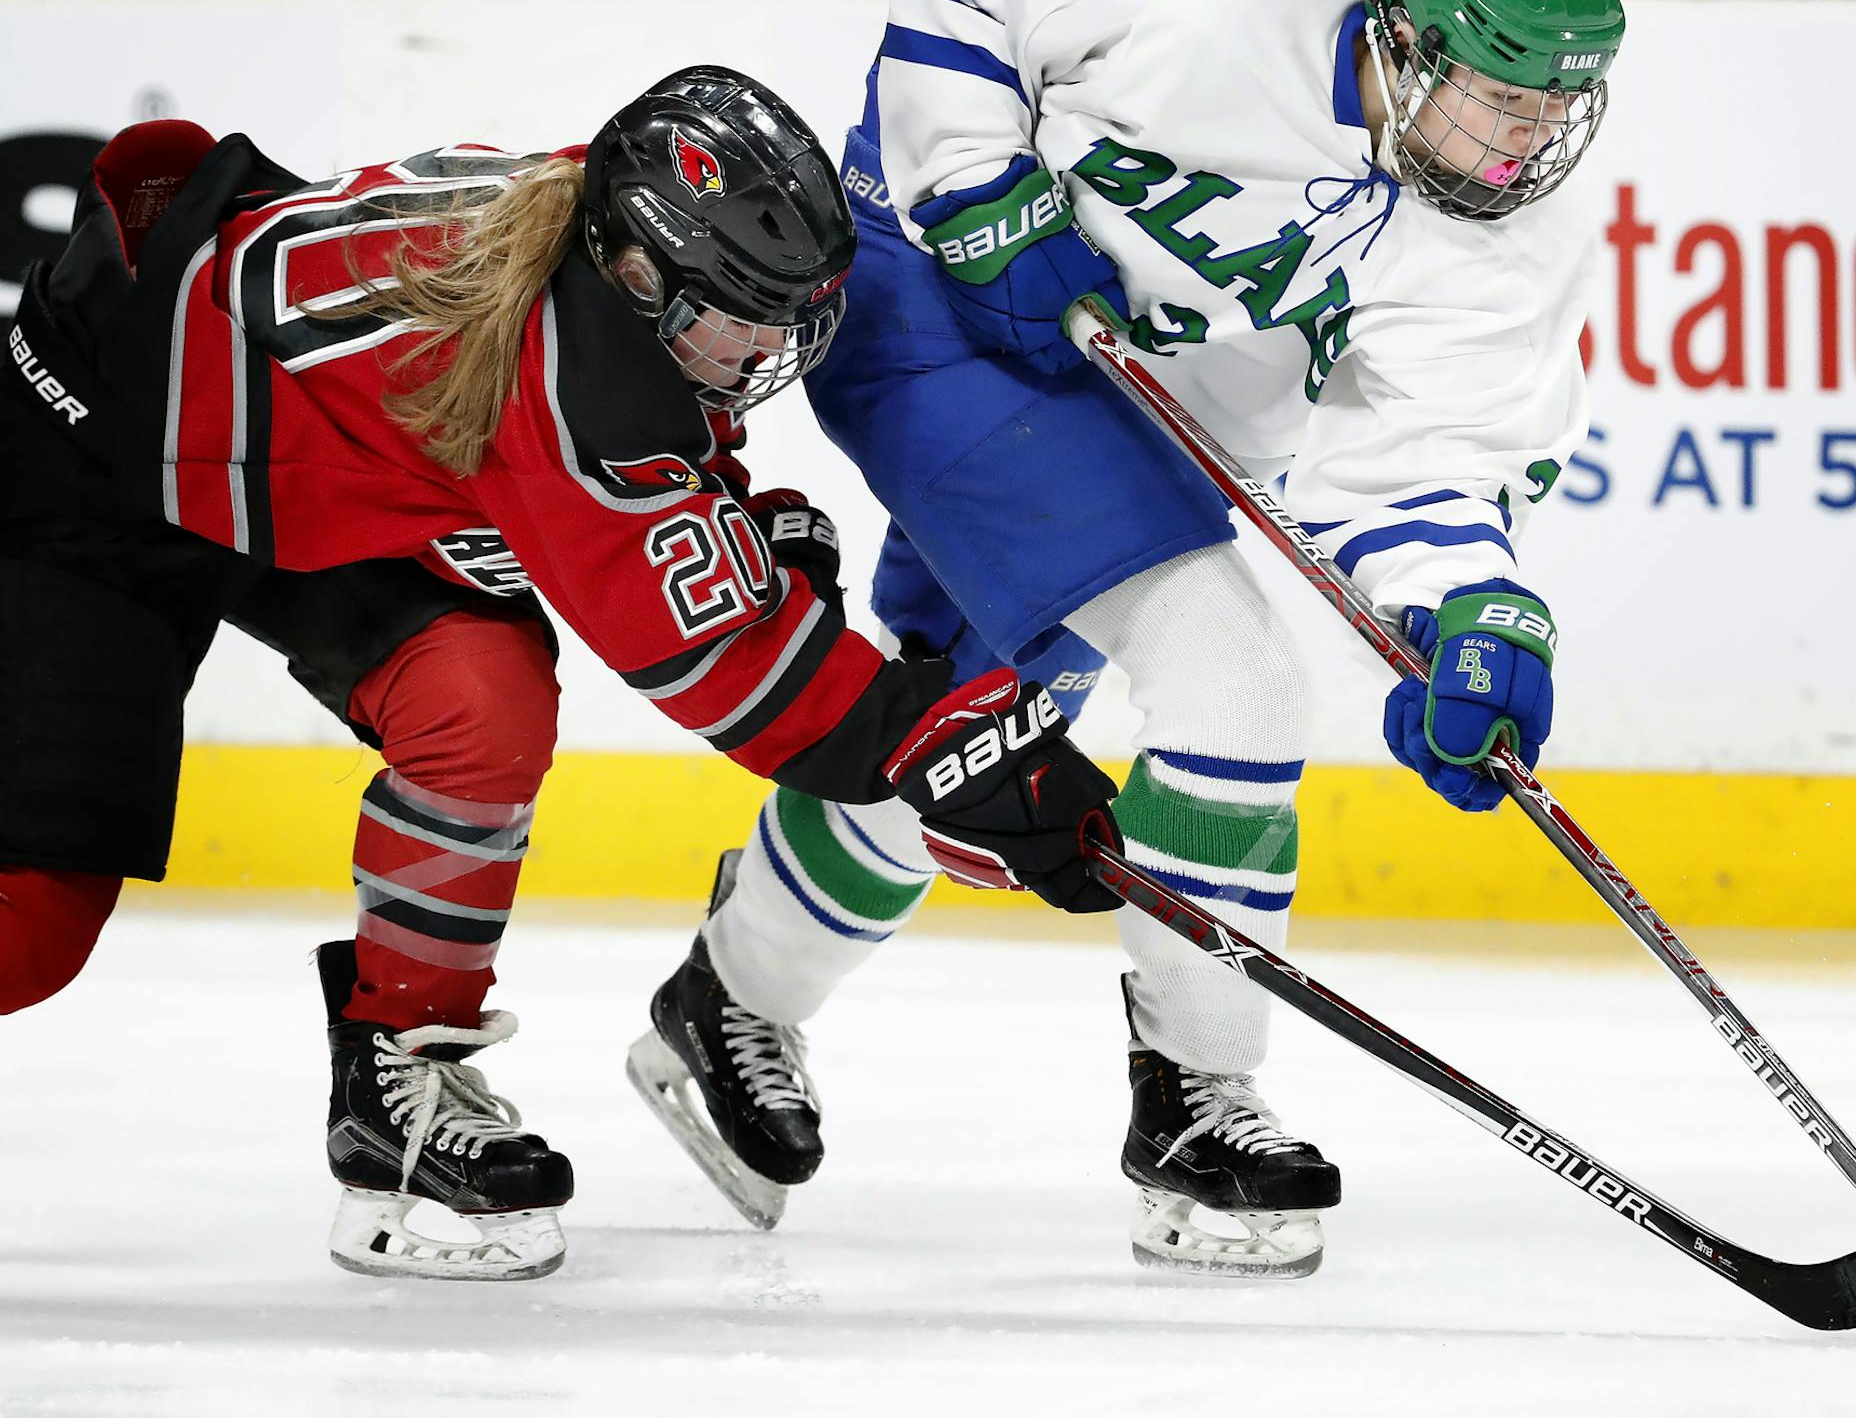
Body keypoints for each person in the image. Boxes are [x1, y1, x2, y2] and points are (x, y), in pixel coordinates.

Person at [632, 0, 1625, 1277]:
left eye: (1556, 105)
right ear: (1398, 33)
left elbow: (1424, 465)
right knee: (1236, 684)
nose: (1526, 141)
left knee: (971, 727)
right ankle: (1197, 1098)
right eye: (1498, 92)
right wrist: (976, 183)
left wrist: (1469, 611)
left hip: (1126, 402)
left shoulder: (1503, 243)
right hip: (930, 290)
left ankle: (726, 994)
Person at [0, 66, 1119, 1282]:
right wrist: (950, 745)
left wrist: (748, 529)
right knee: (33, 931)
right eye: (738, 314)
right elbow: (741, 676)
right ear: (641, 273)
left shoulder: (588, 240)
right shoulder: (569, 373)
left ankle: (399, 1068)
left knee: (480, 697)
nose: (759, 351)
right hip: (88, 459)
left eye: (778, 318)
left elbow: (633, 483)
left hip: (311, 471)